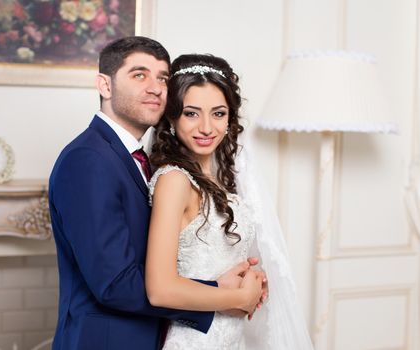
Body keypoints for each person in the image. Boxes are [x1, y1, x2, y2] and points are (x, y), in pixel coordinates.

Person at [48, 37, 263, 350]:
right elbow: (114, 284)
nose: (155, 87)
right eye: (139, 75)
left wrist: (236, 280)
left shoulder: (140, 159)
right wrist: (224, 294)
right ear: (104, 86)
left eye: (162, 77)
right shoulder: (88, 159)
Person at [145, 54, 314, 349]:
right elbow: (160, 289)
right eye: (191, 113)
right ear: (171, 117)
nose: (207, 127)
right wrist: (240, 297)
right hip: (194, 340)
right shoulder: (174, 181)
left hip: (231, 338)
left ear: (230, 118)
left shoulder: (220, 181)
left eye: (219, 113)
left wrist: (252, 278)